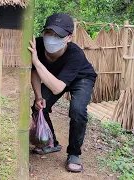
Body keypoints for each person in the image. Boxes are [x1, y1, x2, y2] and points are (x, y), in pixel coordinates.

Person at [28, 13, 97, 172]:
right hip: (56, 78)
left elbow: (57, 87)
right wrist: (38, 96)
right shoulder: (37, 45)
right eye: (49, 33)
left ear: (69, 37)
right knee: (39, 106)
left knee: (78, 111)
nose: (52, 38)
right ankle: (51, 143)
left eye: (58, 35)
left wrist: (37, 61)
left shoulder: (75, 54)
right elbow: (35, 72)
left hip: (81, 78)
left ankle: (74, 153)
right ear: (43, 32)